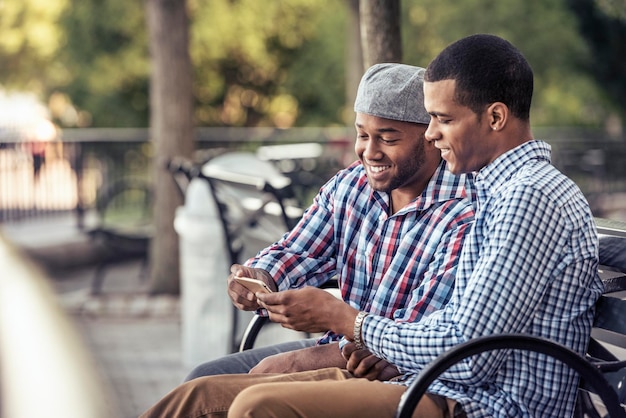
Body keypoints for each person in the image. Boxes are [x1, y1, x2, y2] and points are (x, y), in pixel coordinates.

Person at [141, 34, 601, 418]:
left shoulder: (527, 196)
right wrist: (273, 283)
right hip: (436, 383)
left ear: (495, 117)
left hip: (477, 404)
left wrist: (346, 320)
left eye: (442, 120)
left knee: (258, 404)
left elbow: (466, 354)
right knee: (199, 395)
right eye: (364, 134)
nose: (432, 133)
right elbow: (458, 328)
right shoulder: (497, 190)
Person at [183, 63, 475, 381]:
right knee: (203, 376)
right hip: (338, 347)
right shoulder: (351, 185)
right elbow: (299, 251)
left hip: (397, 372)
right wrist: (259, 278)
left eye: (388, 140)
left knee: (242, 390)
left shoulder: (465, 210)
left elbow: (417, 337)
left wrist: (301, 360)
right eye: (362, 135)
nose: (369, 152)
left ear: (431, 137)